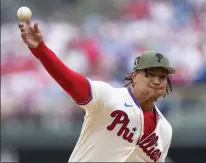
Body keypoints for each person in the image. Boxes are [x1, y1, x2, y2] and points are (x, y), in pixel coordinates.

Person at [18, 20, 175, 162]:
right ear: (134, 76)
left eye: (162, 77)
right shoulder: (108, 96)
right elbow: (68, 79)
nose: (156, 81)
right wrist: (40, 49)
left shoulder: (165, 131)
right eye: (150, 75)